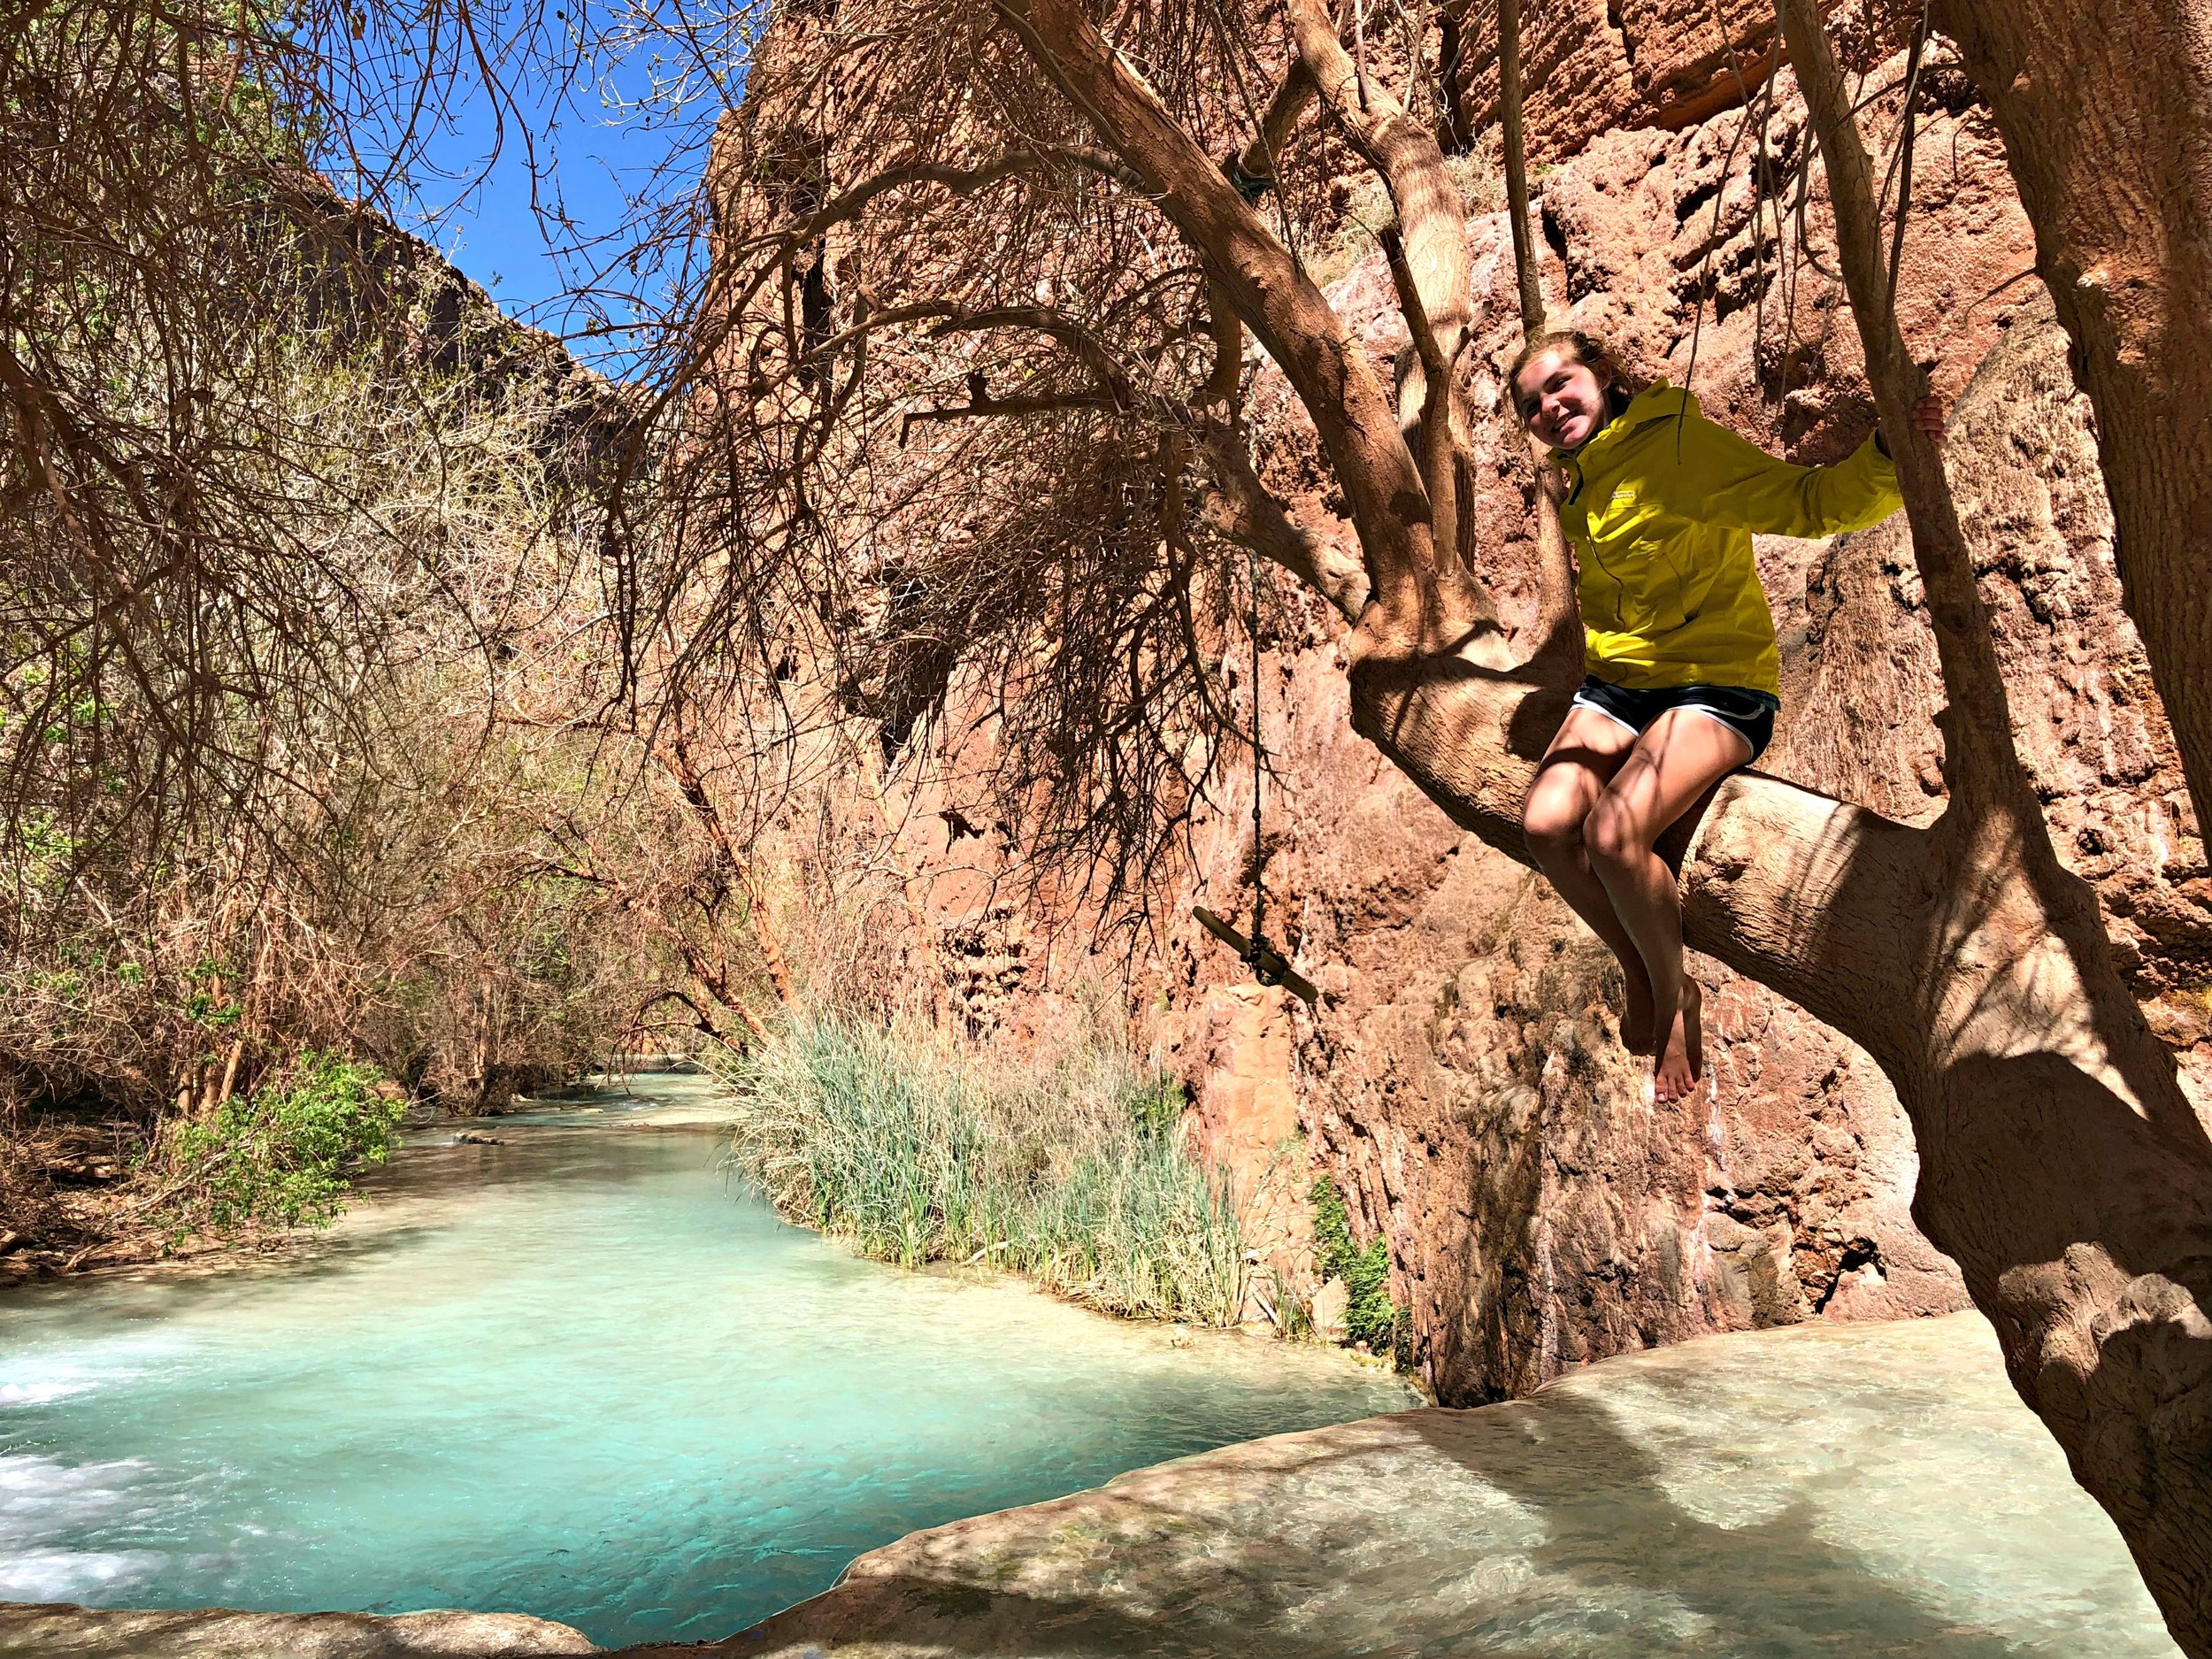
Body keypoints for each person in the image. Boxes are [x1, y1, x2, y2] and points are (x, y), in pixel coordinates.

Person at [1509, 330, 1942, 1103]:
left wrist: (1889, 453)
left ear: (1603, 375)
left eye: (1561, 383)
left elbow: (1810, 505)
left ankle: (1675, 997)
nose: (1548, 406)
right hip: (1620, 686)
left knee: (1613, 835)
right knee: (1544, 822)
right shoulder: (1576, 478)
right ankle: (1643, 965)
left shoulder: (1679, 446)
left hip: (1717, 682)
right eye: (1532, 404)